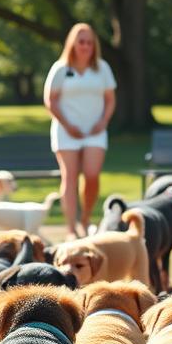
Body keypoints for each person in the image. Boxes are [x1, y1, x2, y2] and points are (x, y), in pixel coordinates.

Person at [44, 22, 116, 238]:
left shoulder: (102, 68)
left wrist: (103, 121)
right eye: (81, 42)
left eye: (89, 43)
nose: (85, 46)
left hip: (95, 131)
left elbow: (110, 99)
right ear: (73, 44)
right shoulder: (60, 68)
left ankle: (85, 220)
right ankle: (70, 229)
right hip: (66, 131)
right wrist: (68, 125)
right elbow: (50, 100)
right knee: (70, 177)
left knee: (92, 175)